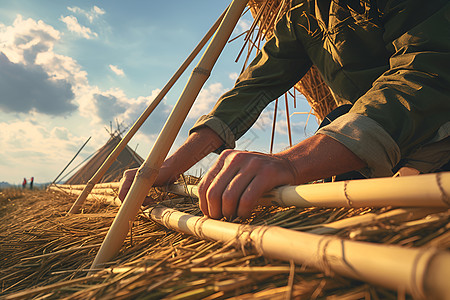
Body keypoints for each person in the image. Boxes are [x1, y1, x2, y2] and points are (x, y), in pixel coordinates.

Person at [120, 0, 450, 220]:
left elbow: (426, 71)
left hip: (434, 131)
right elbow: (253, 87)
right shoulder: (300, 11)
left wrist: (291, 163)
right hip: (361, 143)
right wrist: (165, 167)